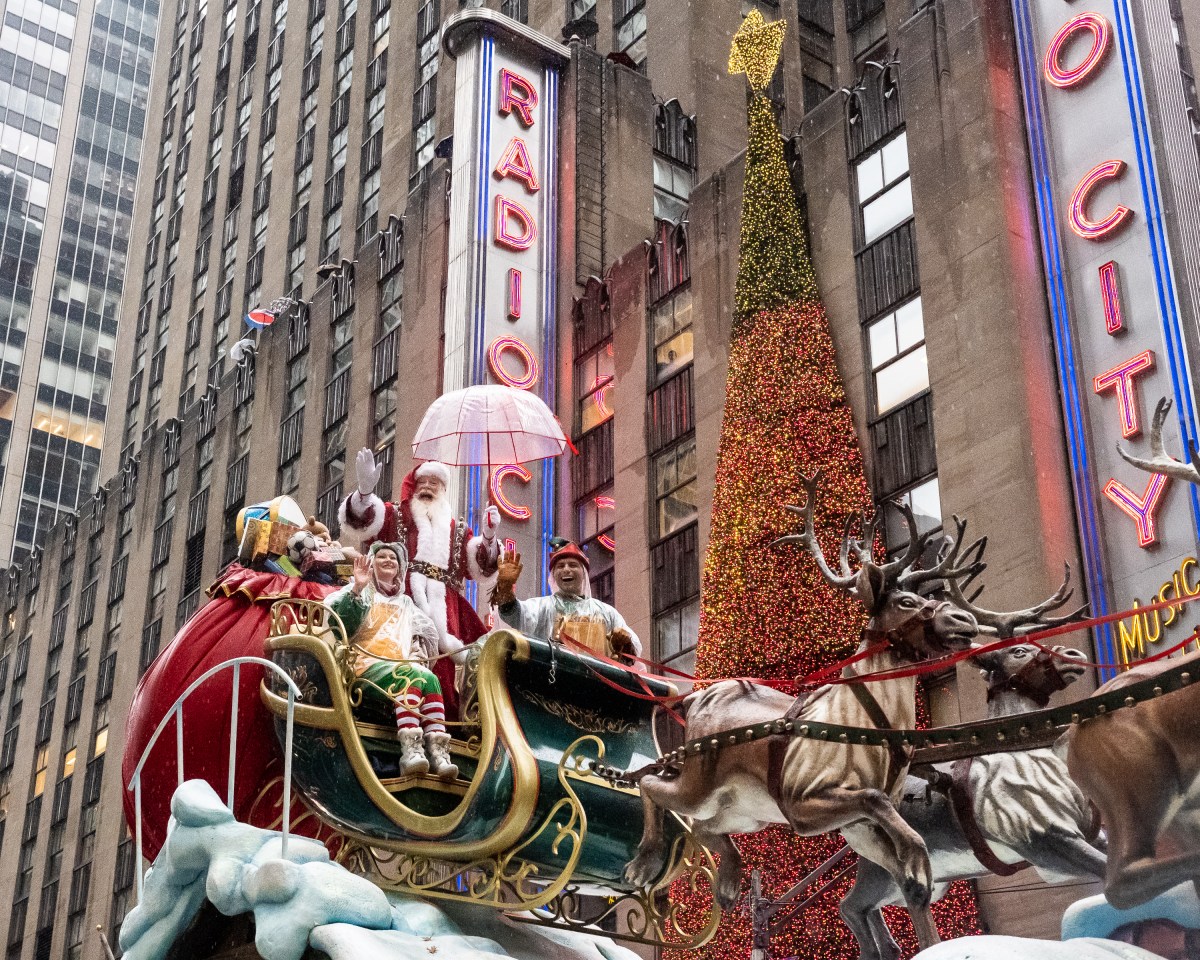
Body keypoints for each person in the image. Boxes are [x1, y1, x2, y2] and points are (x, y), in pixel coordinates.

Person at [338, 448, 501, 717]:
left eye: (433, 484)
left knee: (447, 667)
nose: (427, 488)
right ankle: (400, 713)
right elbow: (364, 522)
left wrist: (489, 535)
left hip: (447, 610)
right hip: (403, 601)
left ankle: (442, 721)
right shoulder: (395, 516)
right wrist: (364, 494)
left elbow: (482, 566)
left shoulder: (458, 530)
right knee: (403, 656)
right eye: (422, 483)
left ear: (443, 490)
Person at [324, 542, 458, 779]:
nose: (388, 560)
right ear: (371, 564)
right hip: (364, 670)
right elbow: (340, 624)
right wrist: (357, 588)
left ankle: (438, 753)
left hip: (401, 670)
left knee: (430, 680)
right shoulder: (361, 591)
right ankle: (410, 751)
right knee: (410, 676)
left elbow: (421, 643)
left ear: (400, 568)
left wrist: (418, 661)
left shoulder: (407, 604)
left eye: (393, 558)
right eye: (381, 556)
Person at [492, 540, 642, 662]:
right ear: (554, 575)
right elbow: (515, 614)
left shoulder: (606, 612)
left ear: (583, 573)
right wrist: (505, 589)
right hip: (552, 683)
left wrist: (624, 641)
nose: (566, 570)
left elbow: (633, 649)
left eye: (573, 565)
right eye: (560, 566)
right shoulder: (542, 606)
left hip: (597, 687)